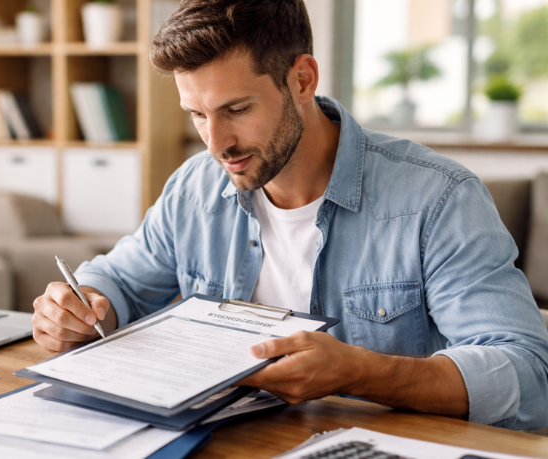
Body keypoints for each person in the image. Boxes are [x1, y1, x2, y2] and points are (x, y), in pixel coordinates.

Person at [31, 0, 548, 430]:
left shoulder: (438, 199)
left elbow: (528, 375)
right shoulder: (194, 187)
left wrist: (361, 373)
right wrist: (83, 308)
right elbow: (118, 279)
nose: (217, 145)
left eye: (236, 110)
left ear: (301, 79)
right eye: (197, 115)